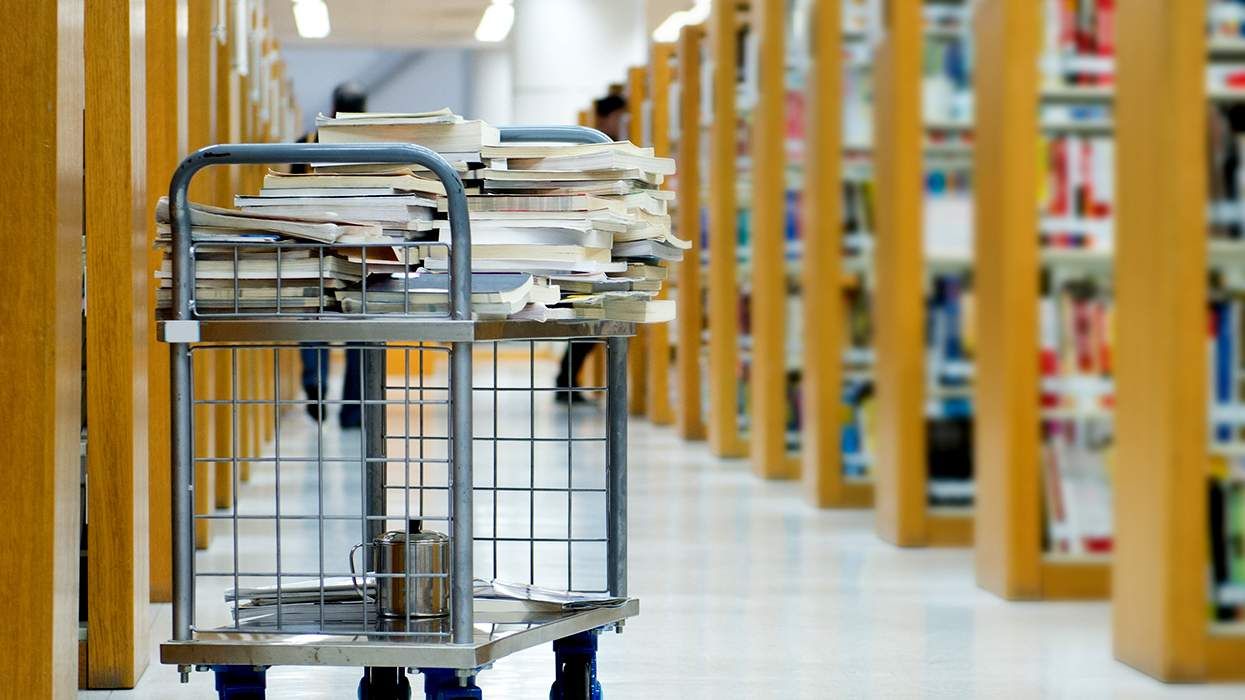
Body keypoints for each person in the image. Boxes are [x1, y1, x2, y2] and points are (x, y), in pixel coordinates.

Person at [300, 82, 368, 426]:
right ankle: (354, 410)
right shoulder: (376, 146)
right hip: (362, 248)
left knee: (315, 316)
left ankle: (316, 380)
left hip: (314, 245)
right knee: (362, 326)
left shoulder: (306, 143)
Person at [554, 93, 627, 404]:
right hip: (590, 246)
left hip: (596, 245)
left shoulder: (605, 146)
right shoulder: (599, 148)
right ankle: (566, 381)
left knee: (593, 319)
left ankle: (567, 380)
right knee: (590, 317)